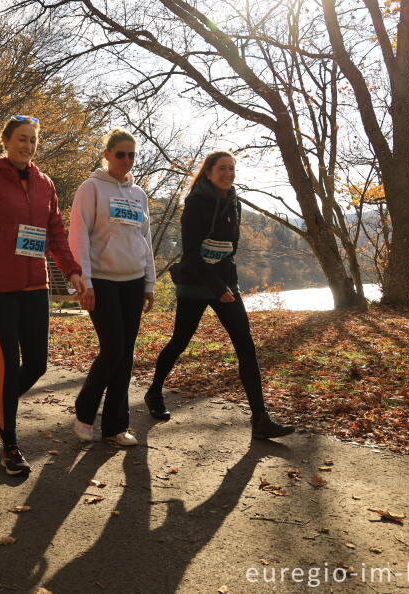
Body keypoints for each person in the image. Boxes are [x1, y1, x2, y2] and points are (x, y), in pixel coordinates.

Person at [0, 114, 86, 475]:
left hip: (35, 284)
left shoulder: (46, 184)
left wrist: (72, 269)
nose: (27, 145)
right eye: (21, 139)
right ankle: (10, 444)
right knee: (8, 364)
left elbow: (56, 234)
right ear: (6, 141)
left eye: (32, 140)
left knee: (38, 363)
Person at [144, 151, 294, 439]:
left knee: (246, 347)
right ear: (209, 172)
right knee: (180, 341)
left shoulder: (233, 201)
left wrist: (229, 285)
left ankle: (260, 420)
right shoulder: (196, 203)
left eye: (232, 168)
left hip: (225, 283)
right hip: (195, 283)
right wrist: (217, 286)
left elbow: (228, 248)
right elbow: (190, 252)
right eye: (222, 168)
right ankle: (154, 392)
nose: (228, 173)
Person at [69, 129, 155, 446]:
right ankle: (85, 411)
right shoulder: (91, 188)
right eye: (121, 153)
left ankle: (116, 425)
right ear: (107, 155)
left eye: (132, 155)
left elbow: (144, 241)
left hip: (133, 282)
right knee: (114, 349)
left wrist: (149, 283)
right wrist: (84, 281)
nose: (127, 160)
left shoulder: (139, 195)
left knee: (126, 354)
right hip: (102, 282)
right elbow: (78, 236)